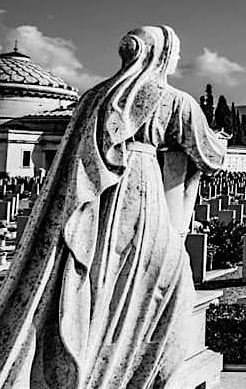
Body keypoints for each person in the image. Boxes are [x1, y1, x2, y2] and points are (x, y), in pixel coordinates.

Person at [0, 26, 226, 388]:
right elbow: (209, 153)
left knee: (95, 279)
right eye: (177, 54)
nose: (178, 61)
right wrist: (221, 141)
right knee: (167, 279)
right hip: (140, 196)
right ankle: (132, 365)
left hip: (94, 202)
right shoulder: (171, 99)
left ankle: (93, 357)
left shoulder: (93, 97)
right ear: (162, 55)